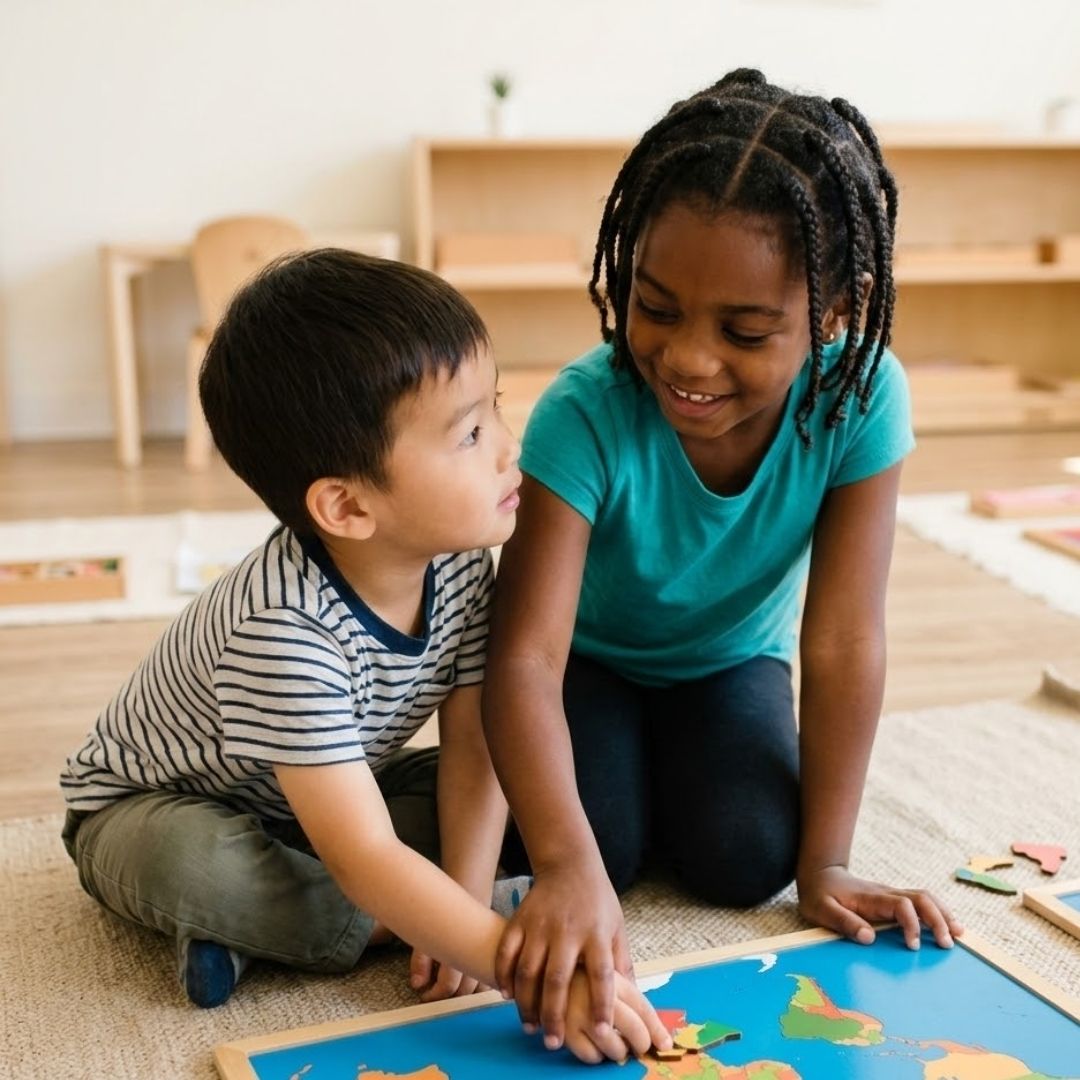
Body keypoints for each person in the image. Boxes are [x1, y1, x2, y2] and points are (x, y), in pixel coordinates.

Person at [59, 250, 669, 1064]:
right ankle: (291, 924)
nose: (508, 449)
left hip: (336, 786)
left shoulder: (460, 559)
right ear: (346, 506)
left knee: (541, 783)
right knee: (199, 869)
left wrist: (461, 900)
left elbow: (475, 745)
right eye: (470, 434)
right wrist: (502, 958)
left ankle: (275, 937)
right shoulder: (282, 629)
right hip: (156, 811)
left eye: (495, 409)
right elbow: (366, 854)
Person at [481, 68, 965, 1052]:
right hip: (587, 664)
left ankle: (666, 786)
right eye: (655, 307)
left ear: (836, 312)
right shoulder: (584, 411)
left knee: (751, 856)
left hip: (732, 660)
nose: (689, 360)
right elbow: (524, 656)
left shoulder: (860, 398)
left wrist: (827, 864)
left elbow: (843, 637)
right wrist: (569, 865)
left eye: (744, 331)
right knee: (593, 846)